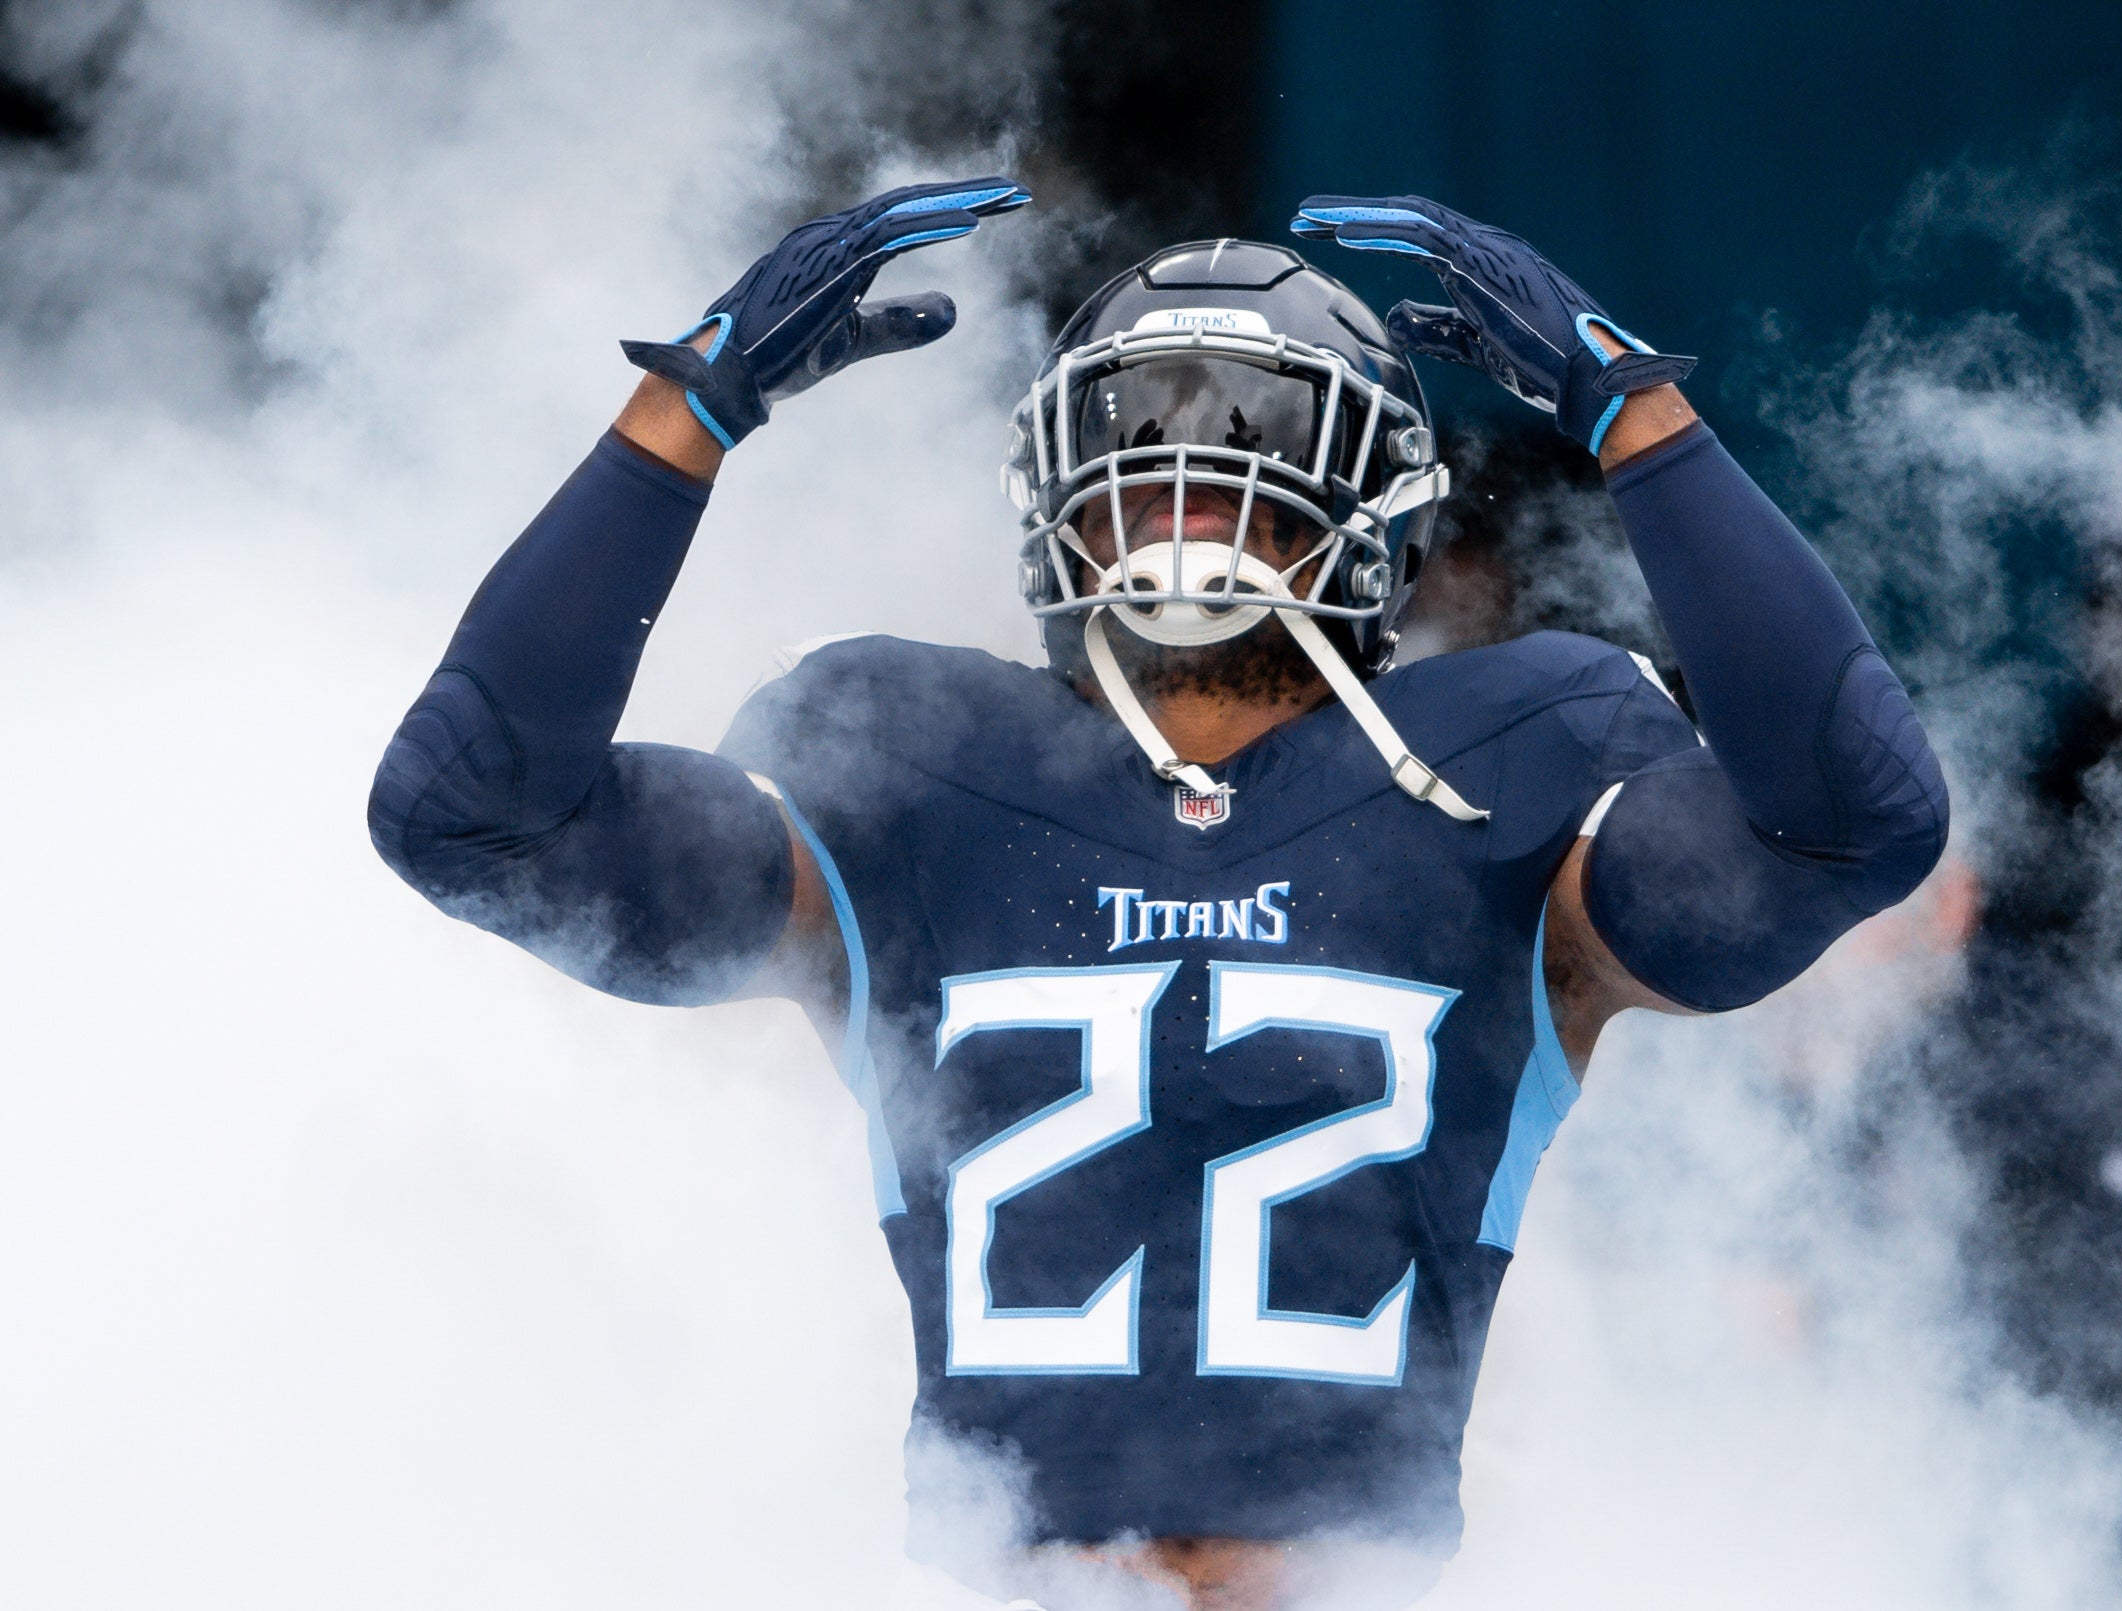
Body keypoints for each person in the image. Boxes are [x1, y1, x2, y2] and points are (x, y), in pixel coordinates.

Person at [368, 178, 1949, 1611]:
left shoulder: (1512, 765)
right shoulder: (903, 766)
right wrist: (686, 410)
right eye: (1140, 435)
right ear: (1057, 483)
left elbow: (1856, 818)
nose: (1187, 478)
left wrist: (1635, 415)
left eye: (1252, 438)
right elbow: (465, 811)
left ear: (1371, 504)